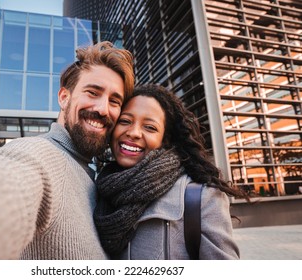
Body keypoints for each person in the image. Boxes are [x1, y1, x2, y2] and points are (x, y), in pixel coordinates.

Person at [0, 41, 135, 260]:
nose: (103, 109)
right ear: (64, 98)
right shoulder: (38, 157)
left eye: (115, 101)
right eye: (93, 92)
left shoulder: (95, 177)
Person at [93, 84, 243, 260]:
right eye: (125, 121)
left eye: (150, 127)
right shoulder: (99, 190)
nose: (133, 133)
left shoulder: (202, 197)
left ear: (165, 140)